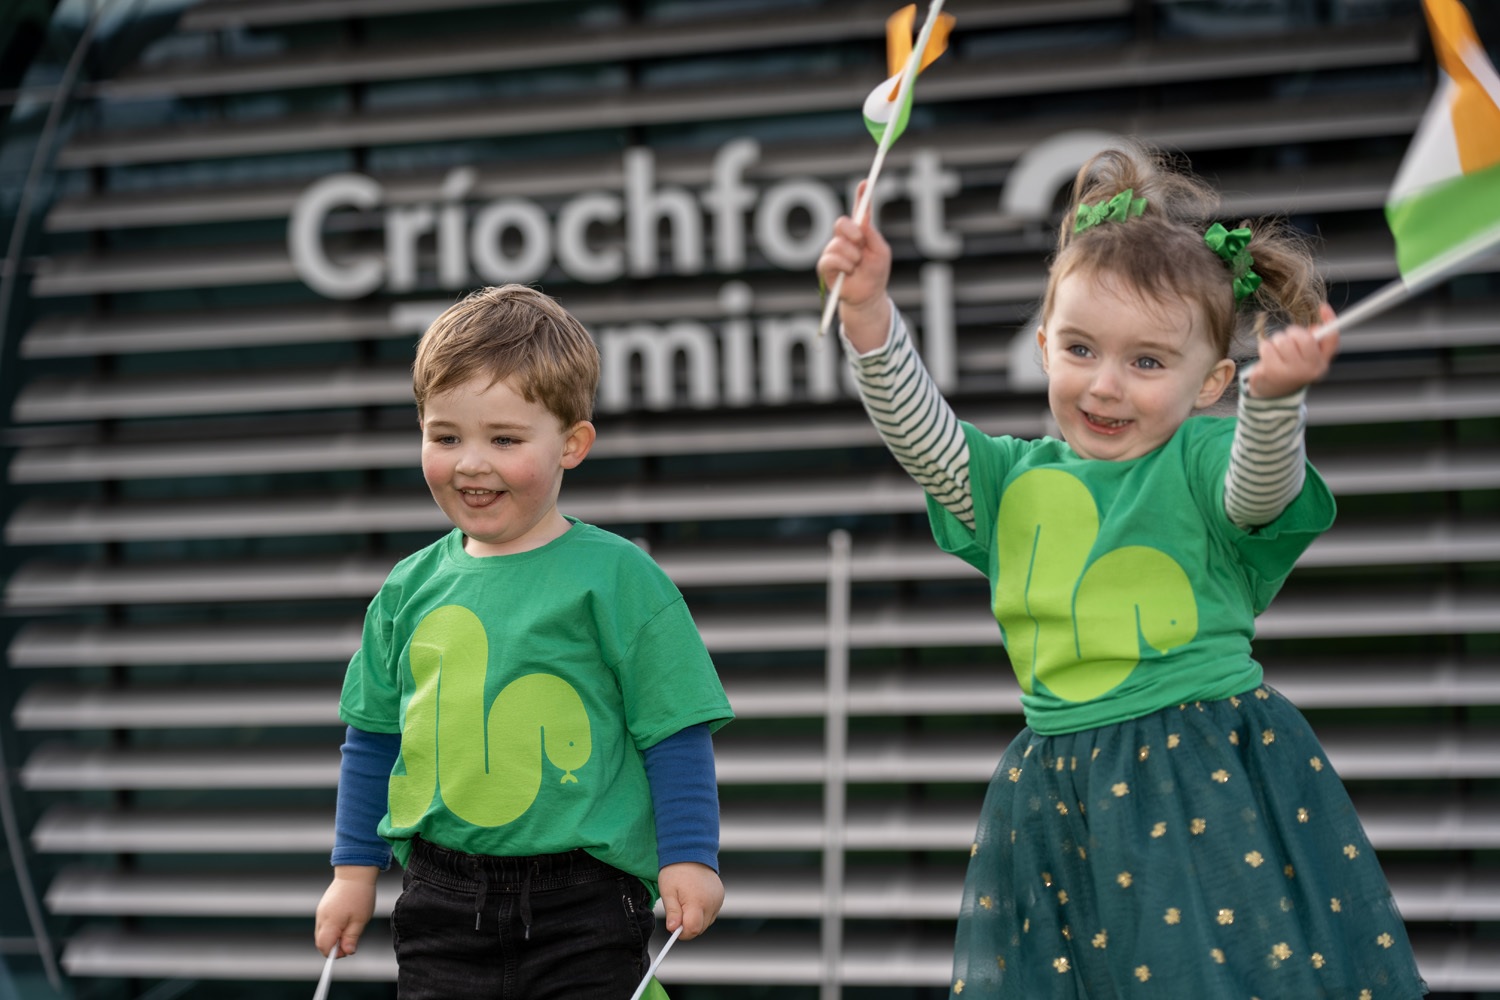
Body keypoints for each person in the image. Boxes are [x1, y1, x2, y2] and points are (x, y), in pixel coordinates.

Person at [817, 142, 1426, 997]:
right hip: (1058, 796)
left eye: (1146, 362)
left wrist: (1276, 404)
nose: (1105, 386)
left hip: (1203, 777)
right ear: (1042, 346)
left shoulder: (1201, 459)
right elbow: (921, 435)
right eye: (1080, 349)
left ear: (1210, 382)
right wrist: (870, 315)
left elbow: (1259, 492)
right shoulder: (1010, 479)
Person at [313, 284, 735, 999]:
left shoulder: (619, 579)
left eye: (504, 440)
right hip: (440, 901)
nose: (471, 463)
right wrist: (353, 873)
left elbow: (675, 731)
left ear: (572, 444)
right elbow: (373, 738)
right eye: (445, 437)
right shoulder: (405, 590)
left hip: (586, 903)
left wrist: (691, 857)